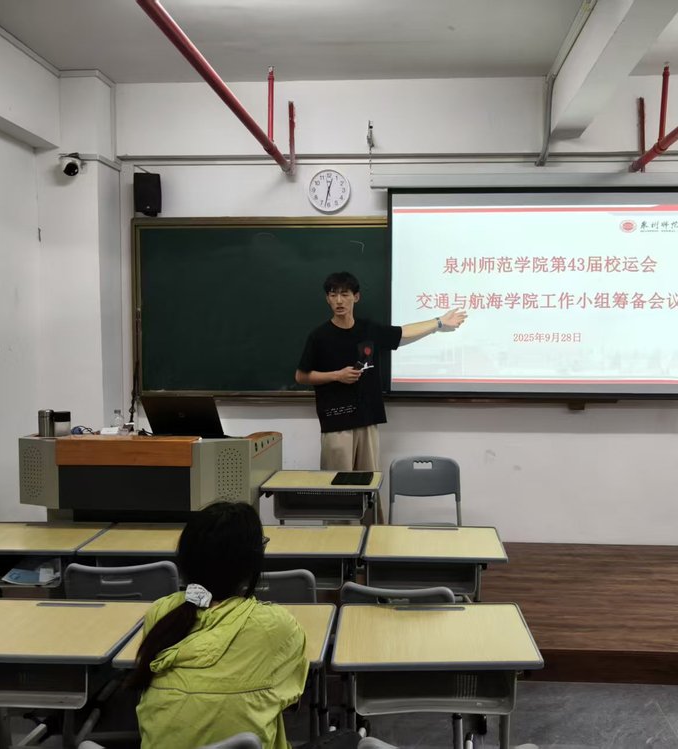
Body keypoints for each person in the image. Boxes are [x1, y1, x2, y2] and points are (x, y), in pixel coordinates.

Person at [131, 502, 307, 749]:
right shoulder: (276, 627)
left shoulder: (161, 613)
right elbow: (291, 696)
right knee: (345, 738)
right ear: (251, 564)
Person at [295, 271, 467, 475]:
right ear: (327, 299)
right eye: (333, 295)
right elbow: (301, 376)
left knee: (368, 481)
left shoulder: (368, 329)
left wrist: (438, 322)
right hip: (336, 422)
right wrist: (336, 375)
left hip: (367, 419)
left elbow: (402, 333)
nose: (339, 300)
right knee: (337, 484)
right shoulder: (319, 336)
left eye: (345, 294)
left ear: (356, 297)